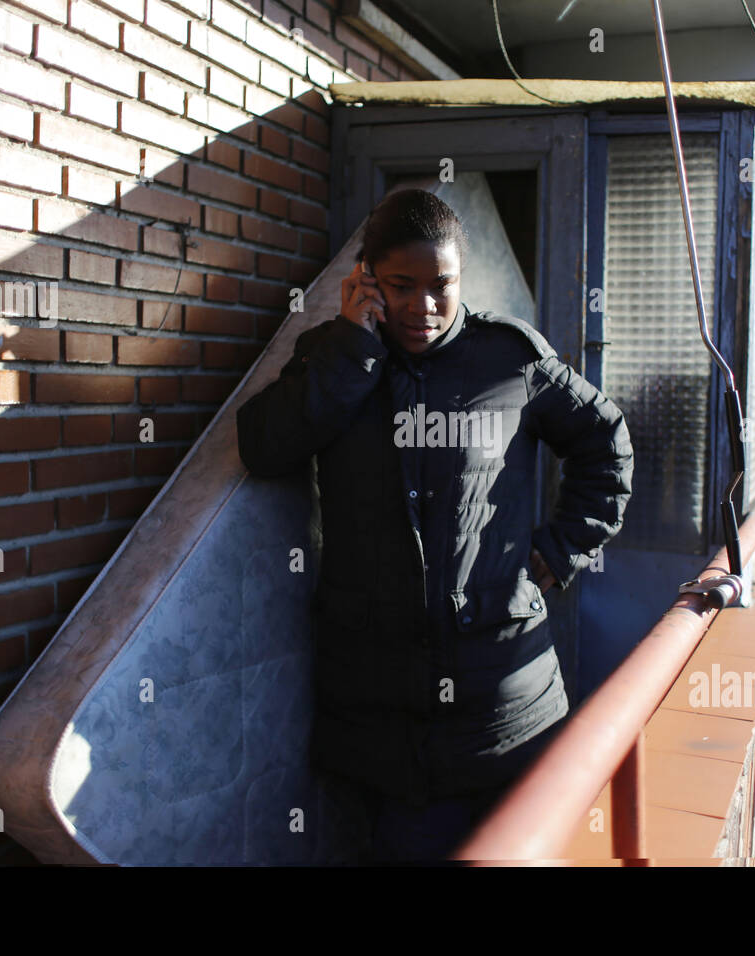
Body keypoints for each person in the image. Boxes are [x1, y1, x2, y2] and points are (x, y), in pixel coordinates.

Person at [236, 188, 633, 863]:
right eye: (400, 286)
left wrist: (561, 548)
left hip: (512, 711)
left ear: (461, 279)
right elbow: (265, 446)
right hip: (388, 730)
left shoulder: (511, 360)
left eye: (439, 286)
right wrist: (352, 353)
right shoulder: (332, 358)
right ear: (366, 282)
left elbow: (606, 443)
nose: (422, 305)